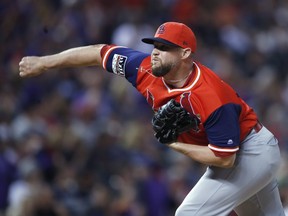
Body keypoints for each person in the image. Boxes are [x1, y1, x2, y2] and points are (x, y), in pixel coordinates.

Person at [19, 22, 285, 215]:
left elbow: (225, 158)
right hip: (243, 154)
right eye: (155, 45)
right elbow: (98, 52)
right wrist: (45, 62)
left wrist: (174, 144)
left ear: (185, 53)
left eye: (165, 47)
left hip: (251, 152)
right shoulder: (143, 67)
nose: (155, 51)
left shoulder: (210, 95)